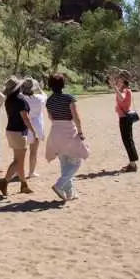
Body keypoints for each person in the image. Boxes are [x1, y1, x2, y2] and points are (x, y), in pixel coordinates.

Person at [44, 73, 90, 201]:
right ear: (63, 84)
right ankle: (59, 185)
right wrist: (80, 133)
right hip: (68, 131)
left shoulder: (49, 100)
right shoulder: (69, 98)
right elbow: (76, 117)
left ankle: (70, 193)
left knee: (64, 162)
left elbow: (51, 117)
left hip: (55, 131)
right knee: (76, 161)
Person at [0, 77, 36, 196]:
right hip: (19, 132)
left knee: (18, 160)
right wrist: (33, 131)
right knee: (18, 161)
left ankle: (23, 184)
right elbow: (25, 118)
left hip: (11, 130)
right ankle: (5, 181)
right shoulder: (20, 101)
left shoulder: (9, 100)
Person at [111, 72, 139, 172]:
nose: (118, 82)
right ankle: (132, 162)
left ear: (124, 82)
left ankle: (133, 164)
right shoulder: (125, 90)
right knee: (128, 140)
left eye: (119, 81)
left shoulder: (125, 91)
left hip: (124, 118)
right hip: (124, 117)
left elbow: (122, 98)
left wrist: (114, 87)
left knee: (127, 140)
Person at [21, 78, 48, 178]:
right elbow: (45, 95)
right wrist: (39, 88)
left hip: (23, 126)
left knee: (20, 152)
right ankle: (31, 172)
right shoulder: (40, 98)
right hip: (36, 126)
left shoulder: (21, 98)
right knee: (33, 152)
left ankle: (17, 170)